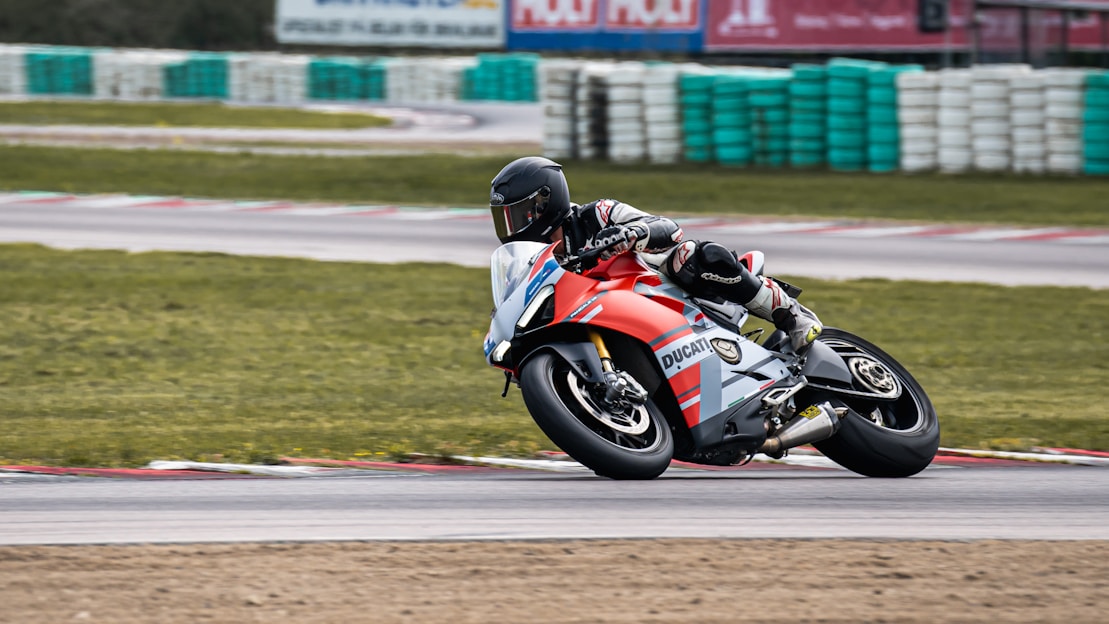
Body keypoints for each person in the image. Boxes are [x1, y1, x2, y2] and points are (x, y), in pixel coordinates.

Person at [489, 156, 822, 352]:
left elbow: (669, 229)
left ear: (544, 204)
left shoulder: (597, 214)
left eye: (519, 215)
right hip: (613, 319)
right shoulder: (535, 261)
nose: (512, 227)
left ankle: (790, 314)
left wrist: (632, 233)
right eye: (504, 219)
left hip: (663, 288)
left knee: (693, 255)